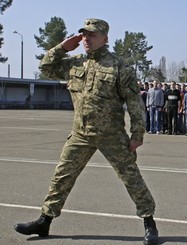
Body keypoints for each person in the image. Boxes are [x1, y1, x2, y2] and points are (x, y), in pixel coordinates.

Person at [13, 19, 159, 245]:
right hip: (80, 133)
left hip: (111, 135)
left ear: (105, 38)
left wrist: (137, 134)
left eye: (92, 35)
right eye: (84, 35)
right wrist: (62, 47)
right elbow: (45, 67)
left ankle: (149, 222)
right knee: (62, 176)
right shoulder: (75, 63)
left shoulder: (118, 66)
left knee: (131, 178)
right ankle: (45, 220)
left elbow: (134, 103)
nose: (86, 39)